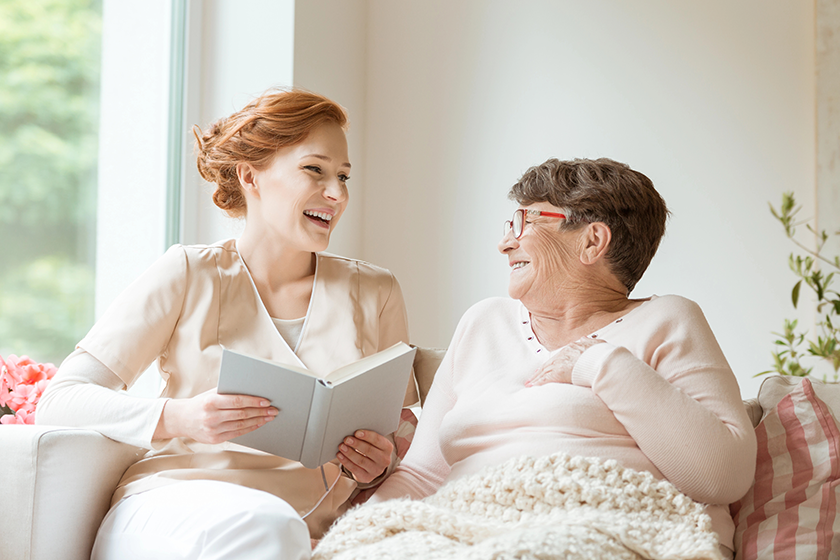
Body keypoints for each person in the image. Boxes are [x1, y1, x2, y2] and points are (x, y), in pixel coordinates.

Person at [36, 88, 417, 560]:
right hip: (171, 504)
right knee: (268, 528)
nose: (336, 194)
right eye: (314, 170)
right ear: (250, 175)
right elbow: (61, 400)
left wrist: (379, 463)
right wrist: (182, 417)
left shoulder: (376, 291)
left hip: (305, 524)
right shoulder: (188, 272)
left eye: (343, 176)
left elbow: (400, 431)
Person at [363, 158, 756, 559]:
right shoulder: (483, 322)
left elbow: (722, 475)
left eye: (525, 222)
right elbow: (422, 475)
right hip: (464, 527)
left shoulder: (668, 319)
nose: (505, 243)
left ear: (591, 241)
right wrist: (362, 533)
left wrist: (600, 364)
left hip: (608, 528)